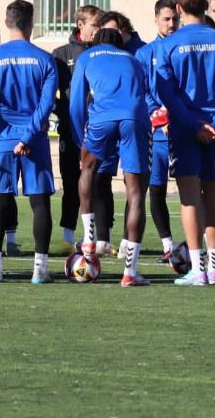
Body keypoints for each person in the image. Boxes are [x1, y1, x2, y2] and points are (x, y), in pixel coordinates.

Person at [153, 0, 215, 286]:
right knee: (212, 196)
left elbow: (166, 92)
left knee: (190, 198)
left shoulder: (168, 45)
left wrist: (195, 124)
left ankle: (197, 269)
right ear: (205, 7)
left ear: (178, 9)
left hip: (185, 129)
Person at [0, 1, 58, 284]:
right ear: (31, 22)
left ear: (6, 22)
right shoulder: (44, 59)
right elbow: (46, 104)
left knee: (0, 201)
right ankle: (40, 268)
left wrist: (11, 132)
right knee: (40, 203)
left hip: (3, 137)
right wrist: (27, 136)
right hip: (34, 137)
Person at [69, 28, 152, 287]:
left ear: (96, 42)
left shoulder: (87, 57)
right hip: (134, 117)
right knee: (136, 192)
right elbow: (145, 93)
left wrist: (78, 139)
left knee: (88, 169)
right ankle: (130, 272)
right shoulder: (133, 59)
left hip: (102, 118)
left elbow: (76, 103)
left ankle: (89, 239)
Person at [50, 4, 101, 254]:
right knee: (71, 183)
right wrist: (64, 111)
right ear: (80, 25)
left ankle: (101, 238)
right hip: (70, 129)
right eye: (94, 25)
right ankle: (68, 237)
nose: (98, 29)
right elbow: (51, 93)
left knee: (99, 182)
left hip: (100, 129)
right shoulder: (61, 54)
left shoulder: (104, 53)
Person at [137, 0, 178, 263]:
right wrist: (158, 115)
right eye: (166, 19)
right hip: (156, 134)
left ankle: (201, 246)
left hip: (183, 129)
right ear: (156, 19)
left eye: (175, 18)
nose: (171, 23)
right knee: (156, 189)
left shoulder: (184, 48)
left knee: (192, 190)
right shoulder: (144, 54)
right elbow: (141, 89)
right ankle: (168, 244)